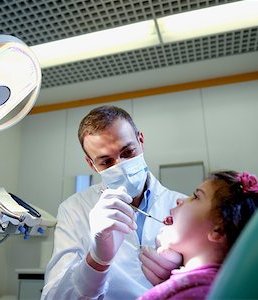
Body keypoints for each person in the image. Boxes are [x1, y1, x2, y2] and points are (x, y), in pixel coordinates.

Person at [41, 105, 186, 299]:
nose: (121, 166)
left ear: (140, 141)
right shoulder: (74, 209)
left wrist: (183, 277)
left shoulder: (182, 205)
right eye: (106, 162)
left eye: (127, 153)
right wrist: (96, 260)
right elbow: (54, 297)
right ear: (91, 164)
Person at [138, 170, 258, 300]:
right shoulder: (199, 285)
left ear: (218, 230)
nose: (179, 200)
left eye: (196, 197)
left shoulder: (204, 292)